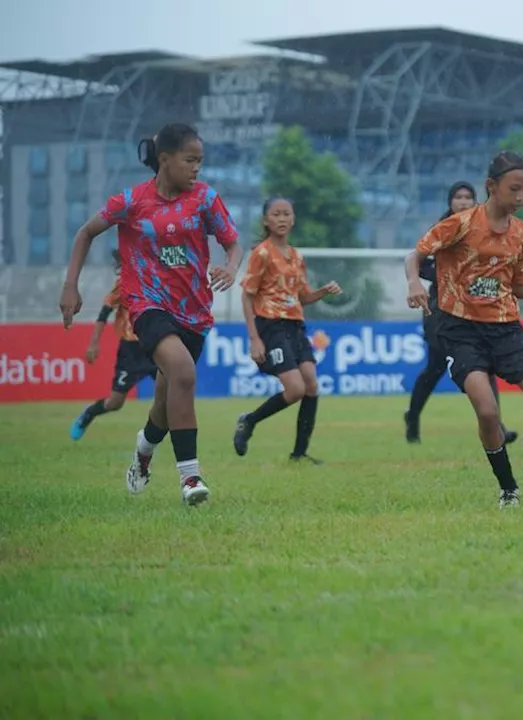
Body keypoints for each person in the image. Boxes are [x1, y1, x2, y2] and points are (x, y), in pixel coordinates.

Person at [59, 123, 242, 506]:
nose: (197, 168)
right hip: (147, 305)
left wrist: (231, 266)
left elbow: (232, 243)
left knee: (164, 400)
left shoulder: (205, 199)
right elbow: (85, 233)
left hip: (194, 313)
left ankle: (143, 451)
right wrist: (70, 285)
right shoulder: (131, 201)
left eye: (201, 161)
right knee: (184, 373)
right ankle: (190, 478)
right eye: (190, 160)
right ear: (164, 159)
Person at [405, 150, 523, 508]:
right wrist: (414, 283)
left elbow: (517, 285)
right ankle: (508, 489)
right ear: (492, 186)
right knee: (488, 412)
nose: (520, 198)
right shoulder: (461, 223)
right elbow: (416, 255)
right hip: (460, 330)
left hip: (506, 330)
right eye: (514, 189)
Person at [403, 181, 517, 446]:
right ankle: (413, 417)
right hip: (439, 310)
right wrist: (446, 277)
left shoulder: (483, 227)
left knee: (485, 364)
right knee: (435, 368)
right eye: (458, 197)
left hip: (473, 309)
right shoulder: (442, 228)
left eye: (468, 197)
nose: (463, 202)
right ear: (450, 201)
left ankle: (496, 425)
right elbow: (418, 263)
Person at [232, 197, 342, 463]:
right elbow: (247, 296)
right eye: (276, 214)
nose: (282, 219)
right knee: (295, 389)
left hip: (295, 325)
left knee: (312, 385)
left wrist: (323, 292)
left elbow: (302, 297)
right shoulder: (262, 253)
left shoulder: (296, 256)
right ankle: (249, 421)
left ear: (293, 219)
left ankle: (299, 454)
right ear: (266, 221)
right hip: (271, 326)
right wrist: (254, 338)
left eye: (286, 214)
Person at [68, 250, 159, 440]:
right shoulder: (123, 285)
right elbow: (104, 314)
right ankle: (90, 413)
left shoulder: (158, 282)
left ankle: (156, 438)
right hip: (130, 351)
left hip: (154, 346)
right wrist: (93, 343)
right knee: (115, 403)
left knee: (173, 393)